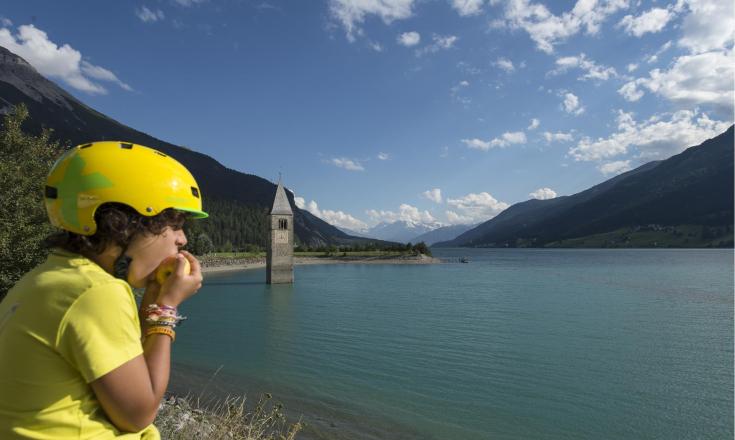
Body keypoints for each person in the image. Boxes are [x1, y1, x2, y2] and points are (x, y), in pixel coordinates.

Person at [0, 141, 208, 438]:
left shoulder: (49, 277)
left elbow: (125, 370)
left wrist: (153, 300)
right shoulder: (96, 293)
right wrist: (167, 309)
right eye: (174, 225)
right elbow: (138, 414)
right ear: (127, 222)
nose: (183, 240)